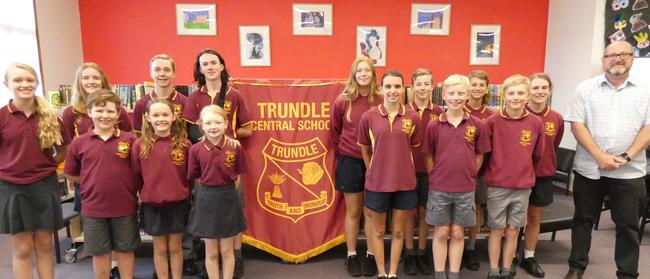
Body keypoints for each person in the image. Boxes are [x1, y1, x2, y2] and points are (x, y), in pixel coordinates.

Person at [564, 40, 650, 279]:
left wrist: (627, 156)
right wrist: (599, 156)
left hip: (629, 172)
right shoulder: (585, 89)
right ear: (603, 60)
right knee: (582, 220)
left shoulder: (646, 90)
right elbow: (577, 126)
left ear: (632, 58)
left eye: (623, 54)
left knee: (628, 226)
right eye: (611, 55)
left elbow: (649, 128)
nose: (617, 59)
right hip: (590, 168)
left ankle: (627, 273)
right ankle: (576, 267)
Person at [182, 48, 252, 278]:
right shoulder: (194, 98)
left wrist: (229, 135)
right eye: (205, 64)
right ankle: (207, 261)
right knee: (207, 215)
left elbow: (248, 128)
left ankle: (237, 257)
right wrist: (206, 142)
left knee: (233, 211)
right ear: (200, 69)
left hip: (228, 161)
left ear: (222, 66)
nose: (210, 67)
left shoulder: (235, 94)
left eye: (214, 62)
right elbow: (190, 130)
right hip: (205, 160)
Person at [60, 62, 133, 278]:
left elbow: (136, 169)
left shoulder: (129, 140)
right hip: (93, 202)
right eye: (99, 110)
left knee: (124, 248)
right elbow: (71, 171)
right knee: (99, 250)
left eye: (110, 111)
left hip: (124, 203)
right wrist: (91, 181)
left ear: (118, 113)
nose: (105, 115)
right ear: (90, 112)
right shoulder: (77, 138)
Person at [0, 63, 70, 279]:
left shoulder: (51, 116)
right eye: (18, 80)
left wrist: (48, 165)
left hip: (44, 186)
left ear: (36, 83)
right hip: (11, 189)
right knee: (22, 249)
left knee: (45, 245)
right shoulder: (2, 116)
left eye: (29, 80)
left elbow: (64, 149)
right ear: (7, 84)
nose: (24, 84)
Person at [423, 74, 490, 279]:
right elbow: (427, 155)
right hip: (439, 189)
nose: (456, 97)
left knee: (459, 233)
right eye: (451, 93)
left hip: (465, 189)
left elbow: (479, 155)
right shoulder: (434, 125)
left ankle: (453, 273)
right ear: (443, 95)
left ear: (468, 95)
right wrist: (435, 176)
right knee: (441, 232)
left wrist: (471, 173)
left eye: (461, 93)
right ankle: (439, 273)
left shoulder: (477, 124)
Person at [358, 69, 420, 279]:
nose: (393, 91)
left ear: (403, 89)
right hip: (377, 184)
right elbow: (365, 149)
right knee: (377, 231)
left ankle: (393, 273)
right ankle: (382, 273)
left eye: (397, 86)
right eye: (388, 86)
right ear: (381, 89)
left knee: (399, 231)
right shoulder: (369, 117)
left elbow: (412, 148)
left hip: (404, 183)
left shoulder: (413, 117)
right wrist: (373, 169)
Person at [484, 75, 545, 279]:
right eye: (511, 93)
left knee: (513, 230)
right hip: (497, 185)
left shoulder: (536, 123)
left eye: (520, 93)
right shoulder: (492, 121)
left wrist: (524, 173)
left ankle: (507, 267)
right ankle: (494, 269)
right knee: (496, 229)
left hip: (522, 186)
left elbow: (537, 155)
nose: (515, 97)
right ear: (504, 95)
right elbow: (485, 154)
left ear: (527, 96)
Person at [330, 56, 382, 277]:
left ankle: (371, 254)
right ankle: (351, 254)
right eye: (359, 70)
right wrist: (347, 150)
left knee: (371, 212)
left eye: (367, 70)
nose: (363, 74)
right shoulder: (342, 101)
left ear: (372, 74)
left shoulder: (380, 99)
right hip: (350, 161)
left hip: (377, 161)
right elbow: (334, 132)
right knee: (353, 211)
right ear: (353, 74)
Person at [132, 100, 191, 279]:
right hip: (152, 205)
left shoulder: (185, 144)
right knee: (159, 248)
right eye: (156, 115)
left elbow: (190, 175)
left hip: (178, 204)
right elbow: (136, 176)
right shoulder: (139, 145)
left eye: (165, 115)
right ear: (147, 118)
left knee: (175, 247)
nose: (161, 119)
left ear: (174, 117)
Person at [187, 105, 248, 279]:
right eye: (208, 123)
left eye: (217, 122)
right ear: (201, 125)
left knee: (227, 250)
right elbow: (196, 177)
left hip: (228, 198)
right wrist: (209, 192)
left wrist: (226, 192)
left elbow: (238, 175)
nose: (213, 126)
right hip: (206, 200)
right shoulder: (195, 149)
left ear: (225, 124)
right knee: (211, 251)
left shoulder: (235, 146)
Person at [519, 73, 564, 278]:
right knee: (513, 218)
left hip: (542, 175)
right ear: (528, 91)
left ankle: (529, 256)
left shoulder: (556, 118)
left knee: (534, 218)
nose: (539, 92)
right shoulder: (518, 113)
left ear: (549, 90)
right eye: (535, 88)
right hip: (517, 175)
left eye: (543, 88)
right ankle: (509, 254)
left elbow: (553, 145)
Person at [402, 68, 442, 276]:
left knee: (426, 214)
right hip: (407, 170)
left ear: (432, 86)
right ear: (412, 86)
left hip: (430, 171)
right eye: (419, 84)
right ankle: (409, 253)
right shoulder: (402, 111)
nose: (423, 88)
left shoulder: (440, 113)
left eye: (427, 84)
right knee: (409, 213)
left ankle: (421, 252)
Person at [462, 70, 494, 271]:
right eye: (473, 84)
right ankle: (452, 245)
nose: (477, 88)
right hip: (456, 172)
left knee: (476, 208)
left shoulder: (491, 116)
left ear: (487, 89)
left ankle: (471, 247)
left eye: (481, 85)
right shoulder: (457, 108)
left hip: (481, 172)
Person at [132, 54, 187, 136]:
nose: (162, 74)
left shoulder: (186, 102)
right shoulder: (141, 104)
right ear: (151, 73)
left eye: (167, 70)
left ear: (174, 73)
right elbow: (139, 136)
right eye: (157, 70)